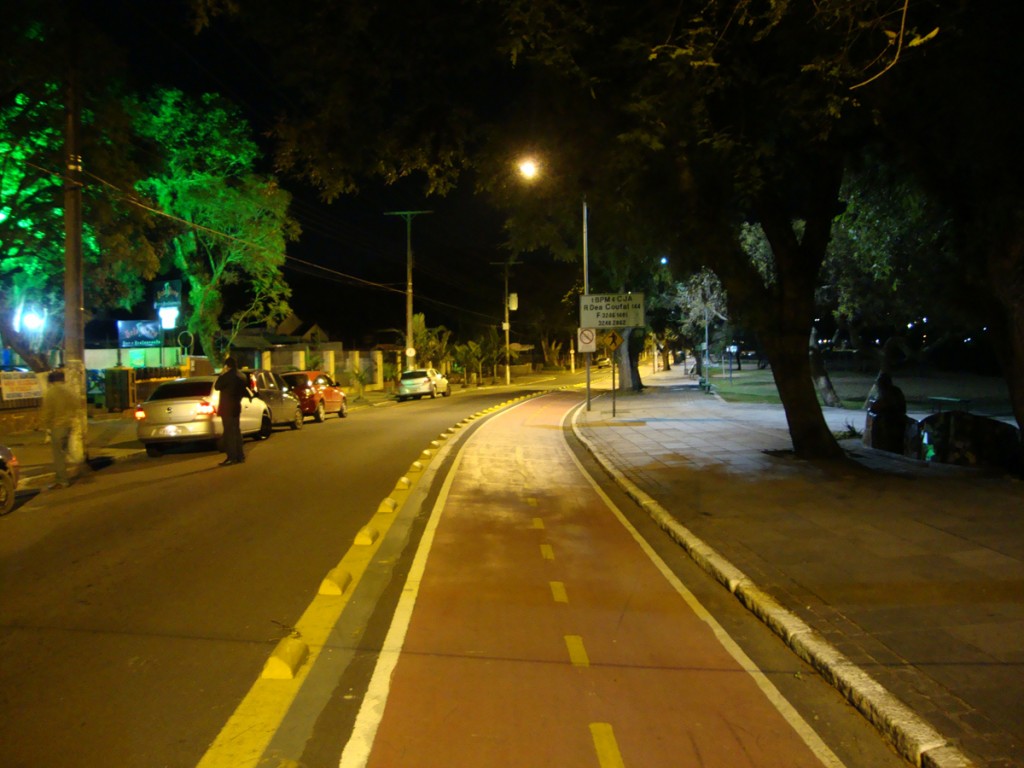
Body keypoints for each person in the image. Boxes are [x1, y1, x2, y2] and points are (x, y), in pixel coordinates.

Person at [41, 369, 79, 489]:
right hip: (69, 424)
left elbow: (47, 412)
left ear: (52, 381)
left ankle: (62, 480)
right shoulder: (70, 391)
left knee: (58, 455)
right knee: (65, 451)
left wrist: (47, 427)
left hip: (57, 426)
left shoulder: (51, 393)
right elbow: (76, 406)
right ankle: (78, 468)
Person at [214, 356, 252, 466]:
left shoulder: (226, 376)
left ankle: (231, 457)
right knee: (236, 431)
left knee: (229, 433)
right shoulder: (242, 376)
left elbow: (217, 386)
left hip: (227, 407)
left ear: (227, 366)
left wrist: (221, 374)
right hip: (236, 406)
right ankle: (240, 456)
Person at [867, 372, 908, 453]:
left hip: (890, 425)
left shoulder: (888, 393)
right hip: (897, 423)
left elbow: (876, 407)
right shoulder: (894, 391)